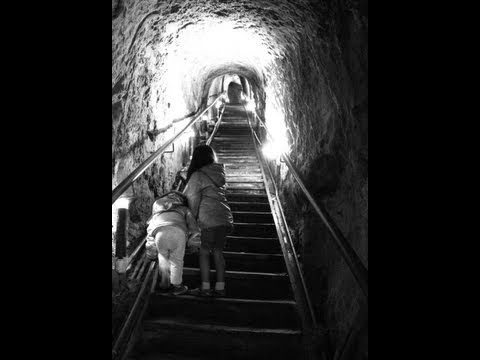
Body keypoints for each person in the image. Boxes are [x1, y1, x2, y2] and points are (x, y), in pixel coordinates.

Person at [183, 144, 233, 297]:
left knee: (204, 252)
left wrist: (191, 220)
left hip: (208, 218)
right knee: (218, 252)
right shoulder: (219, 173)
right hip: (224, 217)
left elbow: (191, 198)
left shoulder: (198, 175)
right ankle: (220, 287)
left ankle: (205, 287)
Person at [146, 191, 201, 296]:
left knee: (162, 257)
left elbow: (150, 229)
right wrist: (194, 244)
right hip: (178, 232)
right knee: (176, 260)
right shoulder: (184, 209)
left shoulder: (157, 213)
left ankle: (164, 283)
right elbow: (193, 227)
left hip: (159, 233)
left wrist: (151, 251)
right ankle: (177, 286)